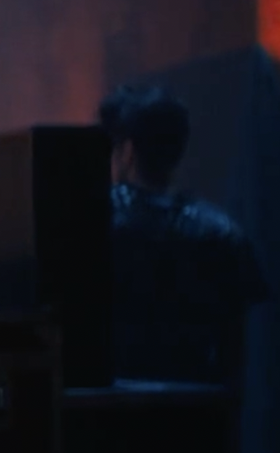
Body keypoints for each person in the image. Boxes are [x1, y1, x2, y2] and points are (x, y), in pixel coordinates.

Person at [100, 84, 270, 388]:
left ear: (127, 151)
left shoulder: (91, 224)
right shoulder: (222, 233)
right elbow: (234, 355)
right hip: (194, 407)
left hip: (109, 407)